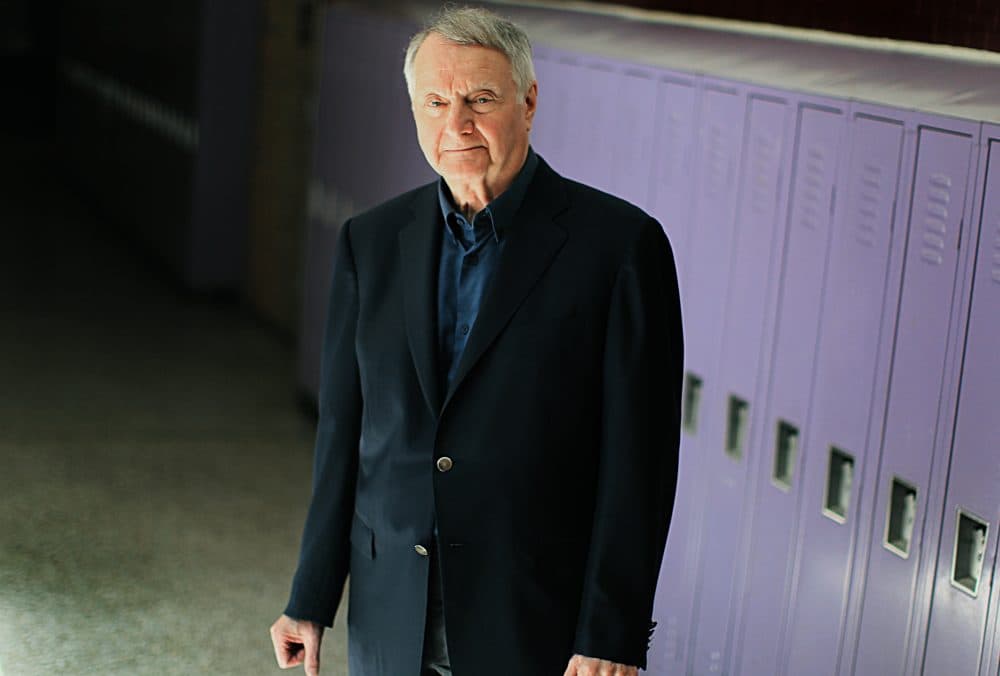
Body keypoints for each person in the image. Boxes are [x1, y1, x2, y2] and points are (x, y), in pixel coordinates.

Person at [269, 6, 683, 676]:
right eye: (434, 101)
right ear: (413, 109)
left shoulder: (620, 247)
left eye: (480, 99)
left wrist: (611, 631)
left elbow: (640, 459)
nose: (456, 124)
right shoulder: (369, 243)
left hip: (533, 620)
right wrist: (311, 598)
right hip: (392, 618)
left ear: (529, 101)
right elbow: (343, 437)